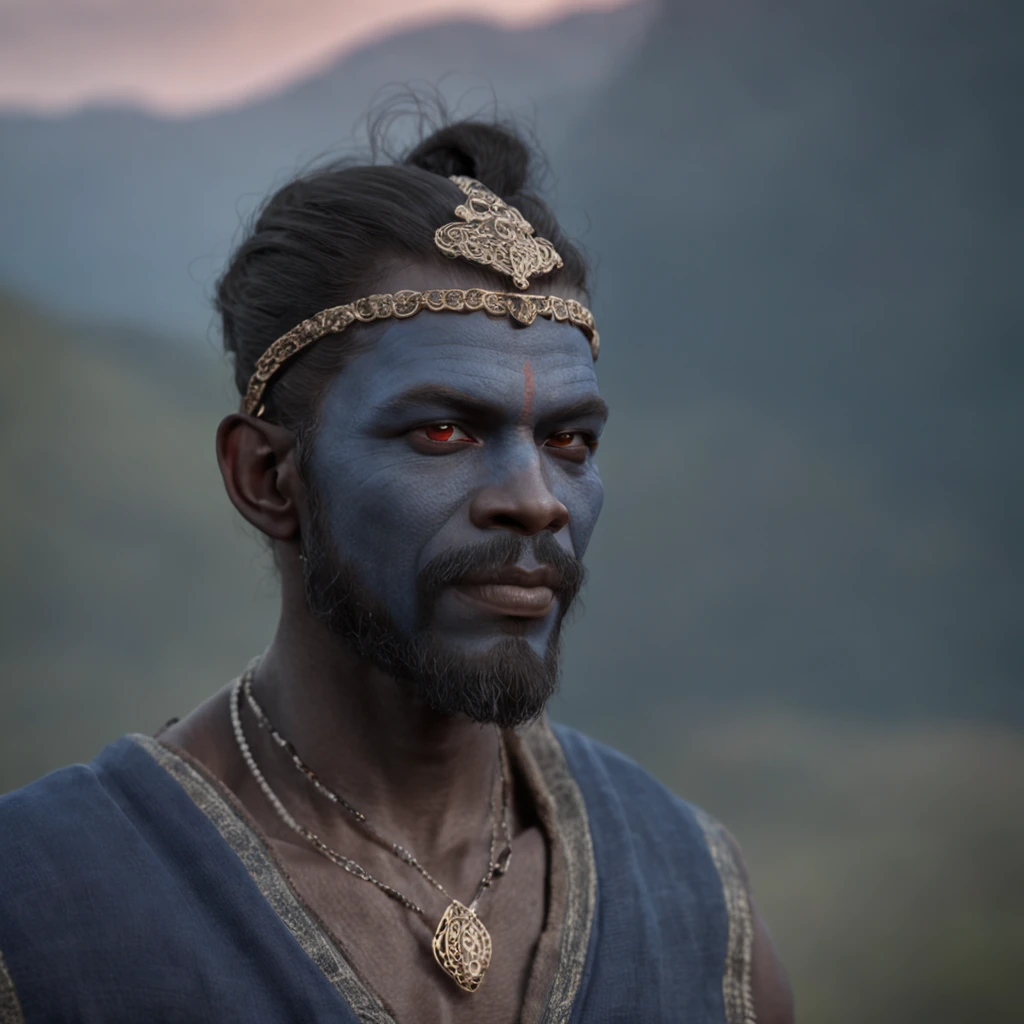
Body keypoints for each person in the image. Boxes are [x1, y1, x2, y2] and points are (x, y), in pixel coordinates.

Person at [0, 120, 793, 1023]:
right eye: (443, 433)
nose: (537, 501)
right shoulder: (38, 911)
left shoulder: (697, 900)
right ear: (267, 478)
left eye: (570, 440)